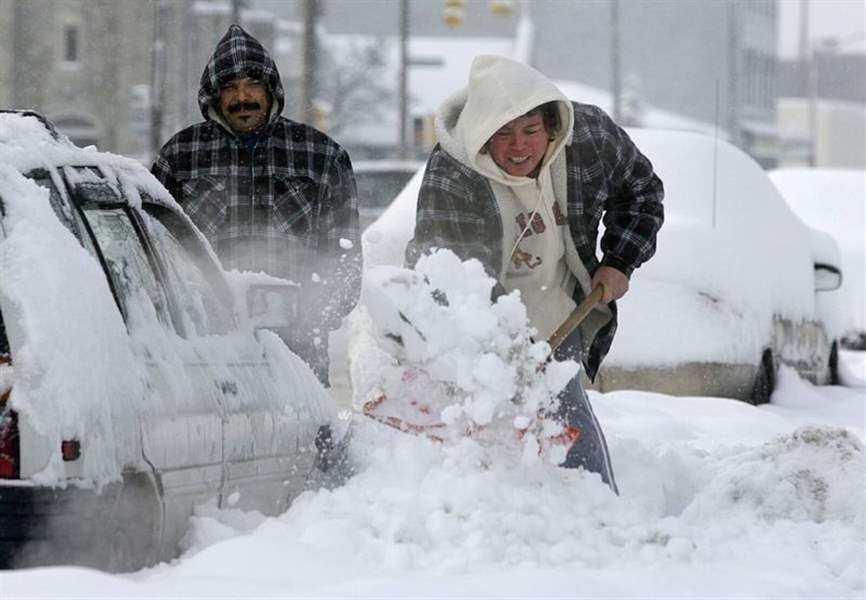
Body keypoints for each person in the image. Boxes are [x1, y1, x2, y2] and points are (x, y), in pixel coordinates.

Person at [406, 55, 665, 492]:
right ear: (483, 132)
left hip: (558, 314)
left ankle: (598, 514)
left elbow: (642, 192)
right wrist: (503, 352)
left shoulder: (590, 138)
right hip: (479, 330)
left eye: (530, 130)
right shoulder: (454, 171)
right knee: (477, 441)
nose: (519, 146)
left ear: (551, 127)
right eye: (503, 133)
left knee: (565, 422)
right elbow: (449, 271)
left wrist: (619, 261)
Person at [152, 25, 361, 386]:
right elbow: (154, 254)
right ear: (213, 97)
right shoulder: (180, 157)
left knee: (305, 443)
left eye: (252, 85)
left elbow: (344, 259)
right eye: (230, 88)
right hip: (205, 356)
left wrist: (312, 317)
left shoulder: (321, 156)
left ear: (271, 89)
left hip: (297, 359)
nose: (242, 97)